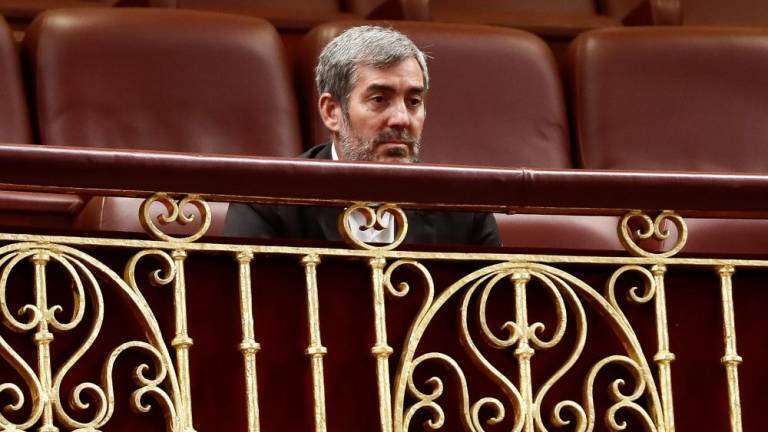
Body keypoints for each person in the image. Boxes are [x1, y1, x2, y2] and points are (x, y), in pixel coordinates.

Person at [224, 25, 499, 246]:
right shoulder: (267, 203)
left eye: (413, 101)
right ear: (332, 112)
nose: (402, 118)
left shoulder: (464, 207)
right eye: (380, 99)